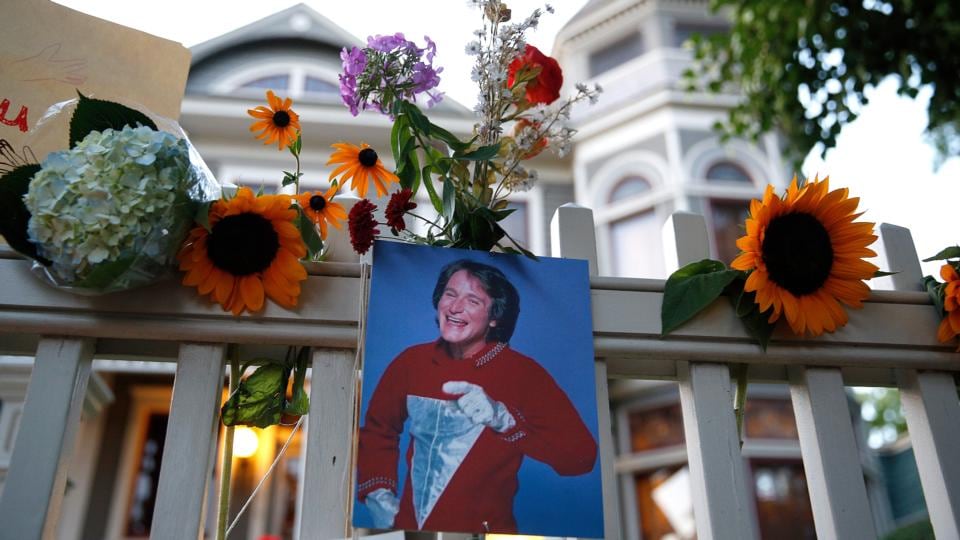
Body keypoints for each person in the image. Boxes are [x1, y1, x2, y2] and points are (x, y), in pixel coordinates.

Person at [357, 259, 598, 534]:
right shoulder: (411, 362)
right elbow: (378, 430)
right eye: (450, 294)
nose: (455, 307)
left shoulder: (523, 373)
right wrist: (378, 494)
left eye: (472, 300)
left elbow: (581, 457)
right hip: (411, 533)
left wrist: (504, 421)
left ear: (495, 317)